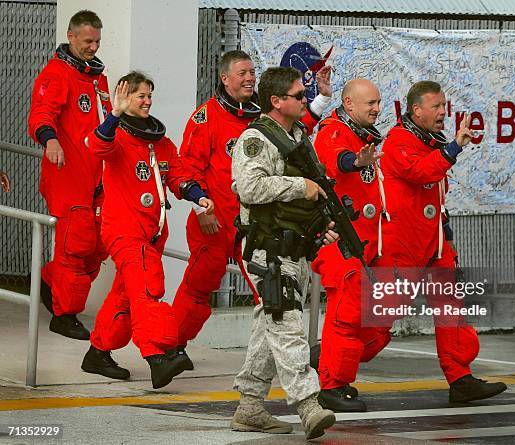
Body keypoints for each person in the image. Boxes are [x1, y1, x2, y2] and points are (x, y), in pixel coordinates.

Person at [172, 50, 332, 365]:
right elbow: (185, 169)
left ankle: (279, 361)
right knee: (197, 288)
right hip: (214, 222)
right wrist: (199, 207)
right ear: (225, 78)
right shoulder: (206, 117)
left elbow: (294, 134)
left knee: (270, 290)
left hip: (258, 223)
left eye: (251, 72)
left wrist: (322, 100)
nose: (249, 78)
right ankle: (169, 348)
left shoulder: (261, 115)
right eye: (242, 73)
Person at [80, 72, 214, 389]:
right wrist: (114, 114)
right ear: (125, 97)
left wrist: (199, 196)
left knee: (125, 297)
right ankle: (158, 356)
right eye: (141, 95)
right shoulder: (117, 140)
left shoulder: (161, 143)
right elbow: (97, 146)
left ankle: (97, 353)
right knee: (148, 286)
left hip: (151, 233)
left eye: (149, 95)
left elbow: (178, 176)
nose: (147, 100)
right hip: (125, 231)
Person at [380, 80, 507, 403]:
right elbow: (421, 172)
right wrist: (454, 148)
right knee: (379, 320)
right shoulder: (399, 141)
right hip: (404, 247)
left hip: (433, 245)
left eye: (443, 106)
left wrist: (446, 239)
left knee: (451, 309)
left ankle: (460, 379)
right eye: (436, 107)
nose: (442, 112)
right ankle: (329, 365)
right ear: (416, 109)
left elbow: (435, 197)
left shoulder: (429, 140)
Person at [231, 67, 338, 439]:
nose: (305, 99)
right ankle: (308, 405)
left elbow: (308, 194)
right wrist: (300, 186)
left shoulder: (296, 135)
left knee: (270, 326)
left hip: (294, 248)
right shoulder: (256, 139)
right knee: (288, 324)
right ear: (276, 101)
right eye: (298, 95)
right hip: (269, 251)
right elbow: (249, 188)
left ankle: (249, 406)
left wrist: (319, 226)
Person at [28, 10, 110, 340]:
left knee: (102, 242)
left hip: (96, 176)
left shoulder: (97, 77)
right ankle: (64, 314)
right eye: (88, 41)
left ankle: (51, 281)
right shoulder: (56, 73)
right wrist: (51, 141)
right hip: (67, 175)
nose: (93, 47)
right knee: (75, 245)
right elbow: (41, 114)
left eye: (97, 41)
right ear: (71, 36)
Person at [311, 78, 391, 412]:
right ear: (348, 103)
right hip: (338, 239)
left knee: (381, 317)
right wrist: (356, 163)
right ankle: (332, 385)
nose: (376, 108)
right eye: (369, 103)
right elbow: (338, 161)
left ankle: (325, 357)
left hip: (368, 242)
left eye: (378, 102)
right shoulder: (331, 130)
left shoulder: (367, 138)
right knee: (346, 312)